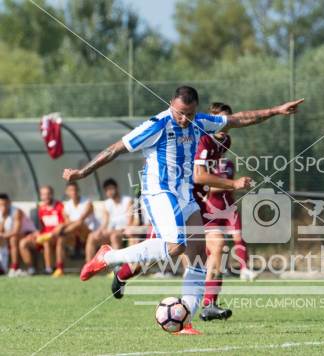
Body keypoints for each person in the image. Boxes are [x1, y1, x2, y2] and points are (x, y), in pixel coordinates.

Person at [63, 86, 303, 334]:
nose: (183, 118)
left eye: (188, 113)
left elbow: (237, 119)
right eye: (179, 112)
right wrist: (82, 173)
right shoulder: (157, 124)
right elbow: (115, 149)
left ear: (196, 109)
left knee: (197, 251)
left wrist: (276, 110)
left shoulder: (200, 122)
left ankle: (183, 316)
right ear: (170, 105)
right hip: (159, 192)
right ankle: (108, 257)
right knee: (176, 246)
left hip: (184, 194)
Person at [193, 102, 256, 322]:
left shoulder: (225, 141)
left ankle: (209, 303)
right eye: (221, 120)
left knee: (218, 247)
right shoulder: (201, 138)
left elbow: (207, 178)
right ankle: (121, 267)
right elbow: (199, 178)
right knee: (165, 252)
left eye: (228, 121)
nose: (225, 126)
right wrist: (234, 183)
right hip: (189, 200)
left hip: (205, 206)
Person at [19, 186, 65, 276]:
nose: (46, 196)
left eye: (48, 194)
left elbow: (63, 223)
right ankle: (31, 269)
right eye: (43, 194)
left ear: (52, 194)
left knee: (46, 241)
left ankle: (48, 269)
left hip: (54, 237)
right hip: (41, 236)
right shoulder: (39, 209)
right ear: (41, 196)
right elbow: (37, 227)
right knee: (23, 243)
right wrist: (33, 234)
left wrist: (51, 234)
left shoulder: (59, 206)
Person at [85, 179, 133, 262]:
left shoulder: (127, 200)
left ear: (116, 188)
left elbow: (130, 221)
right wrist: (99, 231)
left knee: (114, 236)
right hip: (110, 231)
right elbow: (105, 222)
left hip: (123, 230)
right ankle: (89, 266)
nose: (109, 192)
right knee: (91, 236)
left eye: (111, 189)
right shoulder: (107, 203)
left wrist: (121, 229)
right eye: (107, 190)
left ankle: (116, 267)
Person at [0, 193, 36, 277]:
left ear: (9, 203)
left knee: (13, 239)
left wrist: (2, 235)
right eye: (1, 205)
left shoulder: (17, 212)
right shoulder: (1, 213)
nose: (3, 207)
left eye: (5, 204)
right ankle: (2, 268)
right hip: (12, 235)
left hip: (29, 235)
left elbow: (16, 231)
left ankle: (15, 267)